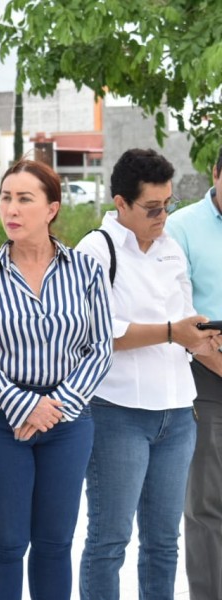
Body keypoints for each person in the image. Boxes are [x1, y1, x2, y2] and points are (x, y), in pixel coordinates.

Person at [0, 159, 113, 600]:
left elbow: (99, 350)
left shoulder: (86, 271)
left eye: (25, 199)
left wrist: (55, 406)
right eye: (6, 197)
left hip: (68, 423)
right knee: (6, 544)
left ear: (51, 209)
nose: (12, 208)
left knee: (54, 544)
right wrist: (25, 404)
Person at [75, 148, 220, 599]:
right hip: (117, 414)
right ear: (120, 203)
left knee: (163, 543)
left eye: (169, 204)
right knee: (109, 540)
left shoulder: (170, 248)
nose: (163, 216)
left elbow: (185, 321)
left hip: (177, 413)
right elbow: (99, 333)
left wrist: (203, 334)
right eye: (152, 208)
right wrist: (172, 332)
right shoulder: (94, 251)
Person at [165, 146, 222, 600]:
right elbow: (179, 313)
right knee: (206, 504)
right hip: (206, 374)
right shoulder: (181, 227)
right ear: (216, 174)